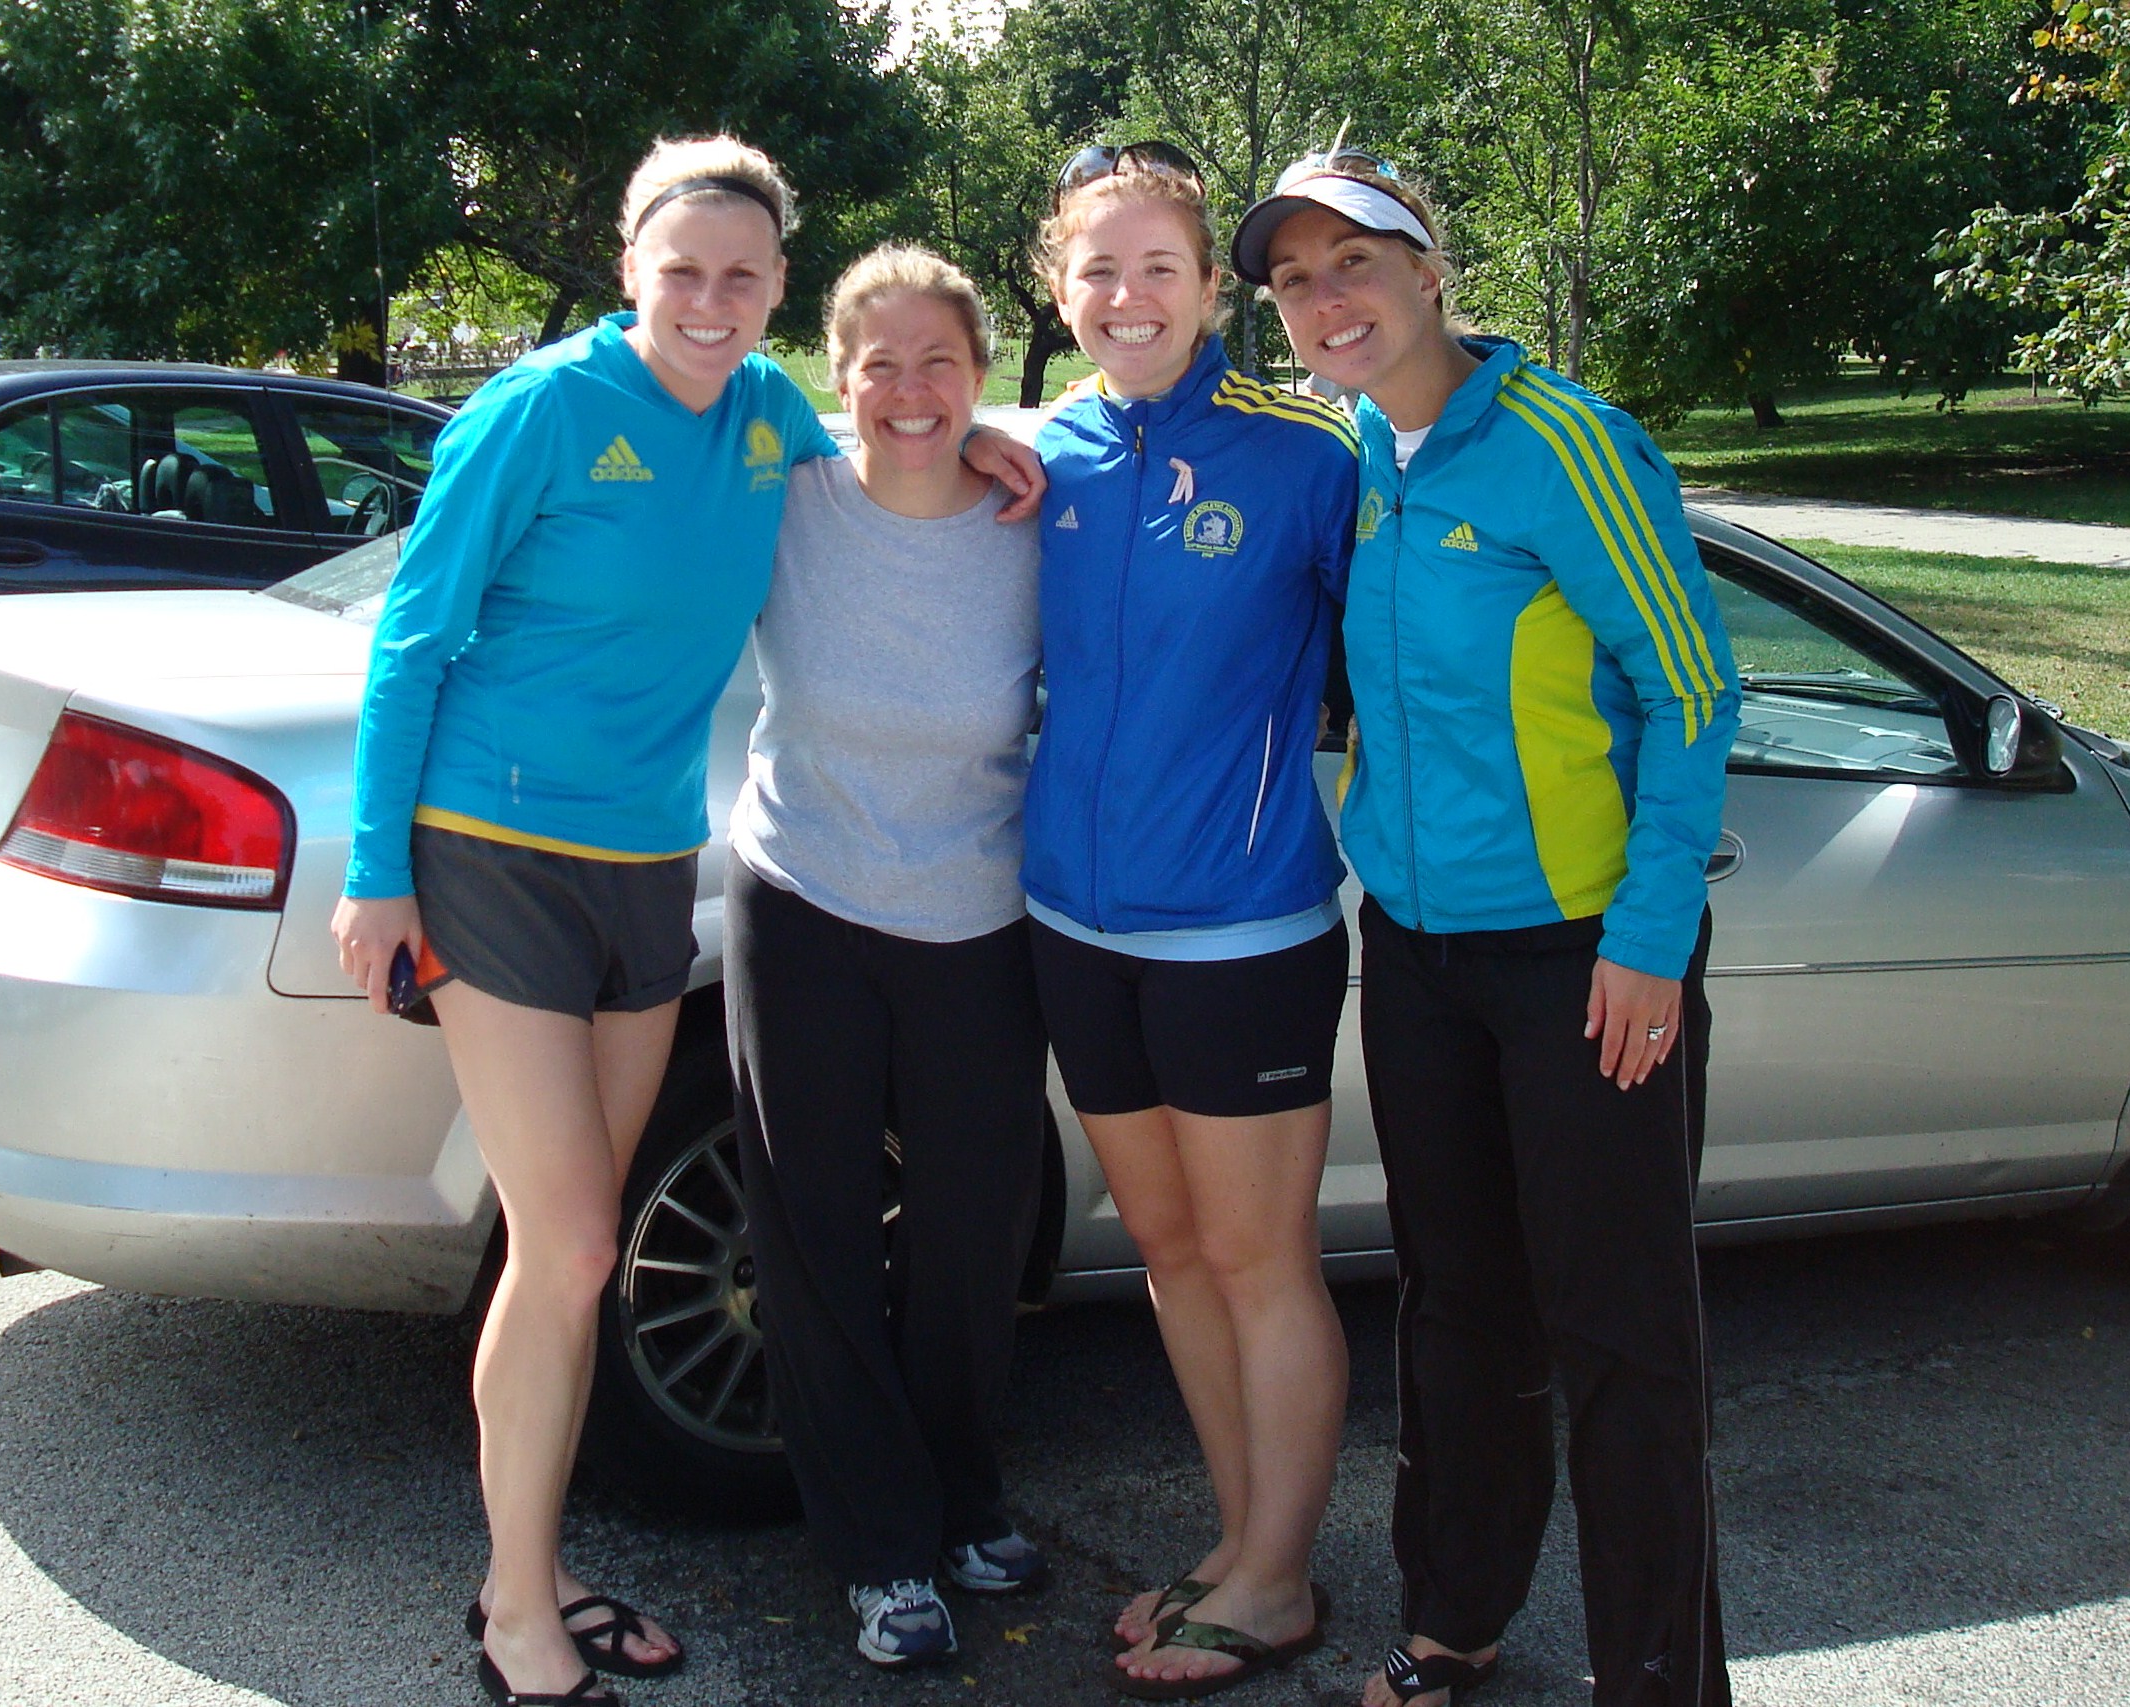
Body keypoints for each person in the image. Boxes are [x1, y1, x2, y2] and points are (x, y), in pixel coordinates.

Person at [330, 138, 1039, 1707]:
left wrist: (981, 437)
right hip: (491, 850)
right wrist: (378, 873)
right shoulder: (541, 412)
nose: (708, 301)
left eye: (740, 276)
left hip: (652, 865)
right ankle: (520, 1604)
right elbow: (411, 639)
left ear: (777, 286)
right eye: (681, 271)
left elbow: (897, 419)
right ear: (631, 267)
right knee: (579, 1235)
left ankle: (542, 1561)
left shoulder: (770, 416)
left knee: (563, 1257)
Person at [1232, 151, 1742, 1707]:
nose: (1329, 298)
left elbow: (1695, 689)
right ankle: (1456, 1614)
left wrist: (1650, 938)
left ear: (1430, 268)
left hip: (1588, 957)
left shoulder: (1561, 443)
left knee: (1622, 1337)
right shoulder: (1361, 458)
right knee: (1457, 1308)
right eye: (1297, 278)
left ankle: (1661, 1678)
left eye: (1356, 262)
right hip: (1420, 950)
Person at [1025, 141, 1360, 1701]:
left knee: (1257, 1257)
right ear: (1061, 289)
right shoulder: (1036, 462)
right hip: (1074, 926)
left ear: (1215, 289)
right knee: (1166, 1252)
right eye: (1101, 269)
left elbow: (1423, 646)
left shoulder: (1307, 462)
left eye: (1163, 266)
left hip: (1242, 931)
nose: (1130, 295)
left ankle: (1281, 1580)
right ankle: (1238, 1545)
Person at [723, 243, 1048, 1673]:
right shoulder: (784, 502)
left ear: (982, 374)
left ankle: (966, 1500)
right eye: (879, 363)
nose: (910, 392)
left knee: (977, 1236)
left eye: (940, 364)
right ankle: (876, 1551)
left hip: (978, 916)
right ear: (834, 377)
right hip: (802, 900)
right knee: (818, 1238)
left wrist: (997, 447)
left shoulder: (1043, 515)